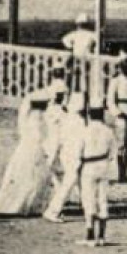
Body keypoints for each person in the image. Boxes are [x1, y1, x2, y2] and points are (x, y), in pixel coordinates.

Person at [0, 89, 51, 217]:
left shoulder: (31, 118)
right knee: (30, 179)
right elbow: (38, 138)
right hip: (33, 151)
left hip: (27, 151)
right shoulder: (37, 121)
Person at [43, 92, 87, 223]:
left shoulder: (68, 118)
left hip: (67, 154)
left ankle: (88, 208)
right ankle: (53, 211)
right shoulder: (78, 121)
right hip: (73, 156)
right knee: (70, 181)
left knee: (79, 181)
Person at [77, 104, 117, 246]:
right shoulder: (108, 131)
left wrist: (78, 166)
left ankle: (90, 236)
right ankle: (102, 237)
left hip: (89, 166)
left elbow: (78, 152)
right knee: (102, 199)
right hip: (104, 165)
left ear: (90, 115)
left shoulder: (85, 131)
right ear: (102, 115)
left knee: (89, 199)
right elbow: (113, 153)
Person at [108, 54, 127, 182]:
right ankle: (120, 173)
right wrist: (118, 112)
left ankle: (126, 171)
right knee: (121, 145)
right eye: (124, 65)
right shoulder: (115, 81)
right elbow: (110, 100)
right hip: (121, 113)